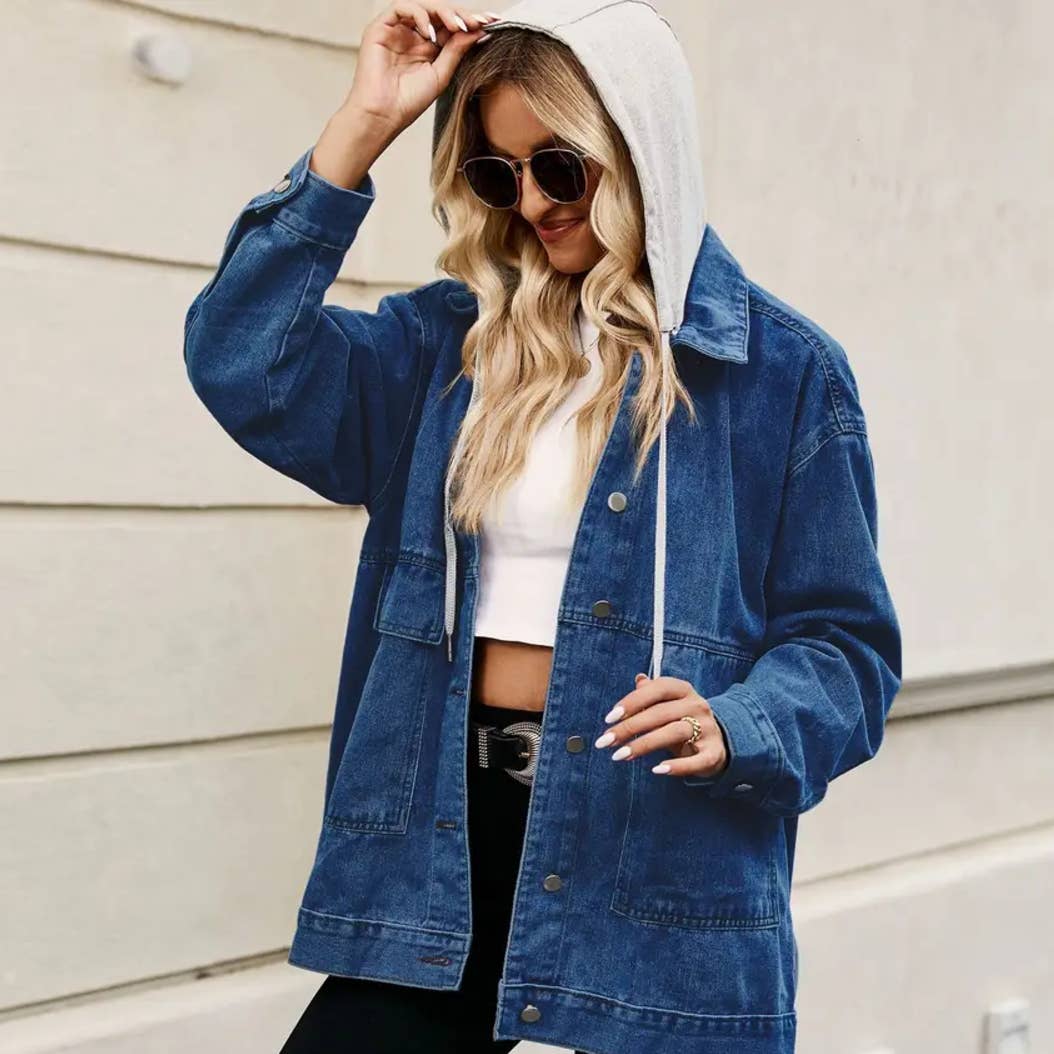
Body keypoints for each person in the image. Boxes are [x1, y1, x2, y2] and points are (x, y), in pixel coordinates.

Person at [182, 1, 903, 1052]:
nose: (529, 203)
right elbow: (245, 362)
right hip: (444, 842)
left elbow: (846, 647)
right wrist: (362, 125)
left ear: (640, 150)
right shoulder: (444, 350)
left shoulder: (781, 373)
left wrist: (739, 722)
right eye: (495, 174)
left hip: (655, 837)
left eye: (559, 168)